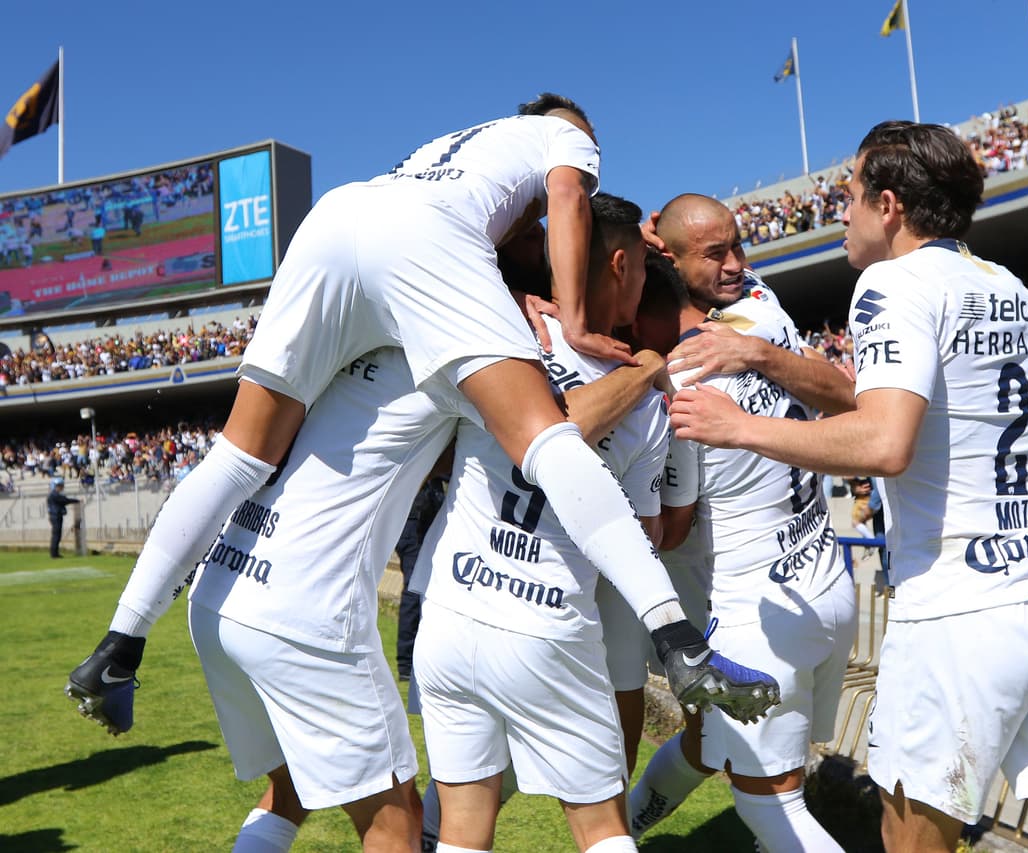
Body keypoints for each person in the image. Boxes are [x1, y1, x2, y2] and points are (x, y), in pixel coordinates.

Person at [67, 95, 773, 745]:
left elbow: (464, 228)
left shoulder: (457, 144)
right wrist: (580, 323)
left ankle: (118, 646)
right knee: (548, 440)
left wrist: (502, 289)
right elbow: (560, 197)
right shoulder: (568, 142)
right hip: (424, 237)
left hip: (339, 217)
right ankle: (678, 637)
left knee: (240, 453)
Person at [669, 121, 1028, 853]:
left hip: (962, 611)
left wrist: (738, 426)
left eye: (851, 195)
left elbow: (882, 440)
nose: (841, 212)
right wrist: (764, 358)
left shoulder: (891, 282)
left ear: (890, 204)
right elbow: (887, 409)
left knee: (911, 843)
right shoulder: (1011, 286)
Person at [410, 194, 776, 853]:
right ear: (619, 263)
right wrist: (648, 374)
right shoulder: (644, 399)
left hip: (452, 609)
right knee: (603, 828)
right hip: (546, 617)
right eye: (638, 265)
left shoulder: (504, 331)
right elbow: (641, 533)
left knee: (460, 830)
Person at [626, 194, 855, 852]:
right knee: (704, 742)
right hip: (820, 579)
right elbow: (843, 393)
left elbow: (665, 531)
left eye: (737, 246)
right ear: (667, 259)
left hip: (753, 605)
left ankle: (617, 833)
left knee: (770, 807)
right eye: (715, 253)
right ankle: (628, 835)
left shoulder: (680, 376)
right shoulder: (760, 304)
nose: (735, 264)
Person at [395, 477, 448, 681]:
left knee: (417, 589)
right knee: (413, 591)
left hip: (414, 520)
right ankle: (406, 664)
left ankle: (409, 661)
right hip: (414, 522)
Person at [47, 477, 80, 558]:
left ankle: (55, 553)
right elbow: (65, 500)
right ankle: (54, 554)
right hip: (56, 516)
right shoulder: (54, 495)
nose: (62, 487)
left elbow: (64, 500)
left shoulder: (55, 494)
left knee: (57, 535)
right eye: (60, 486)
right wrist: (77, 501)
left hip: (56, 515)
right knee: (56, 535)